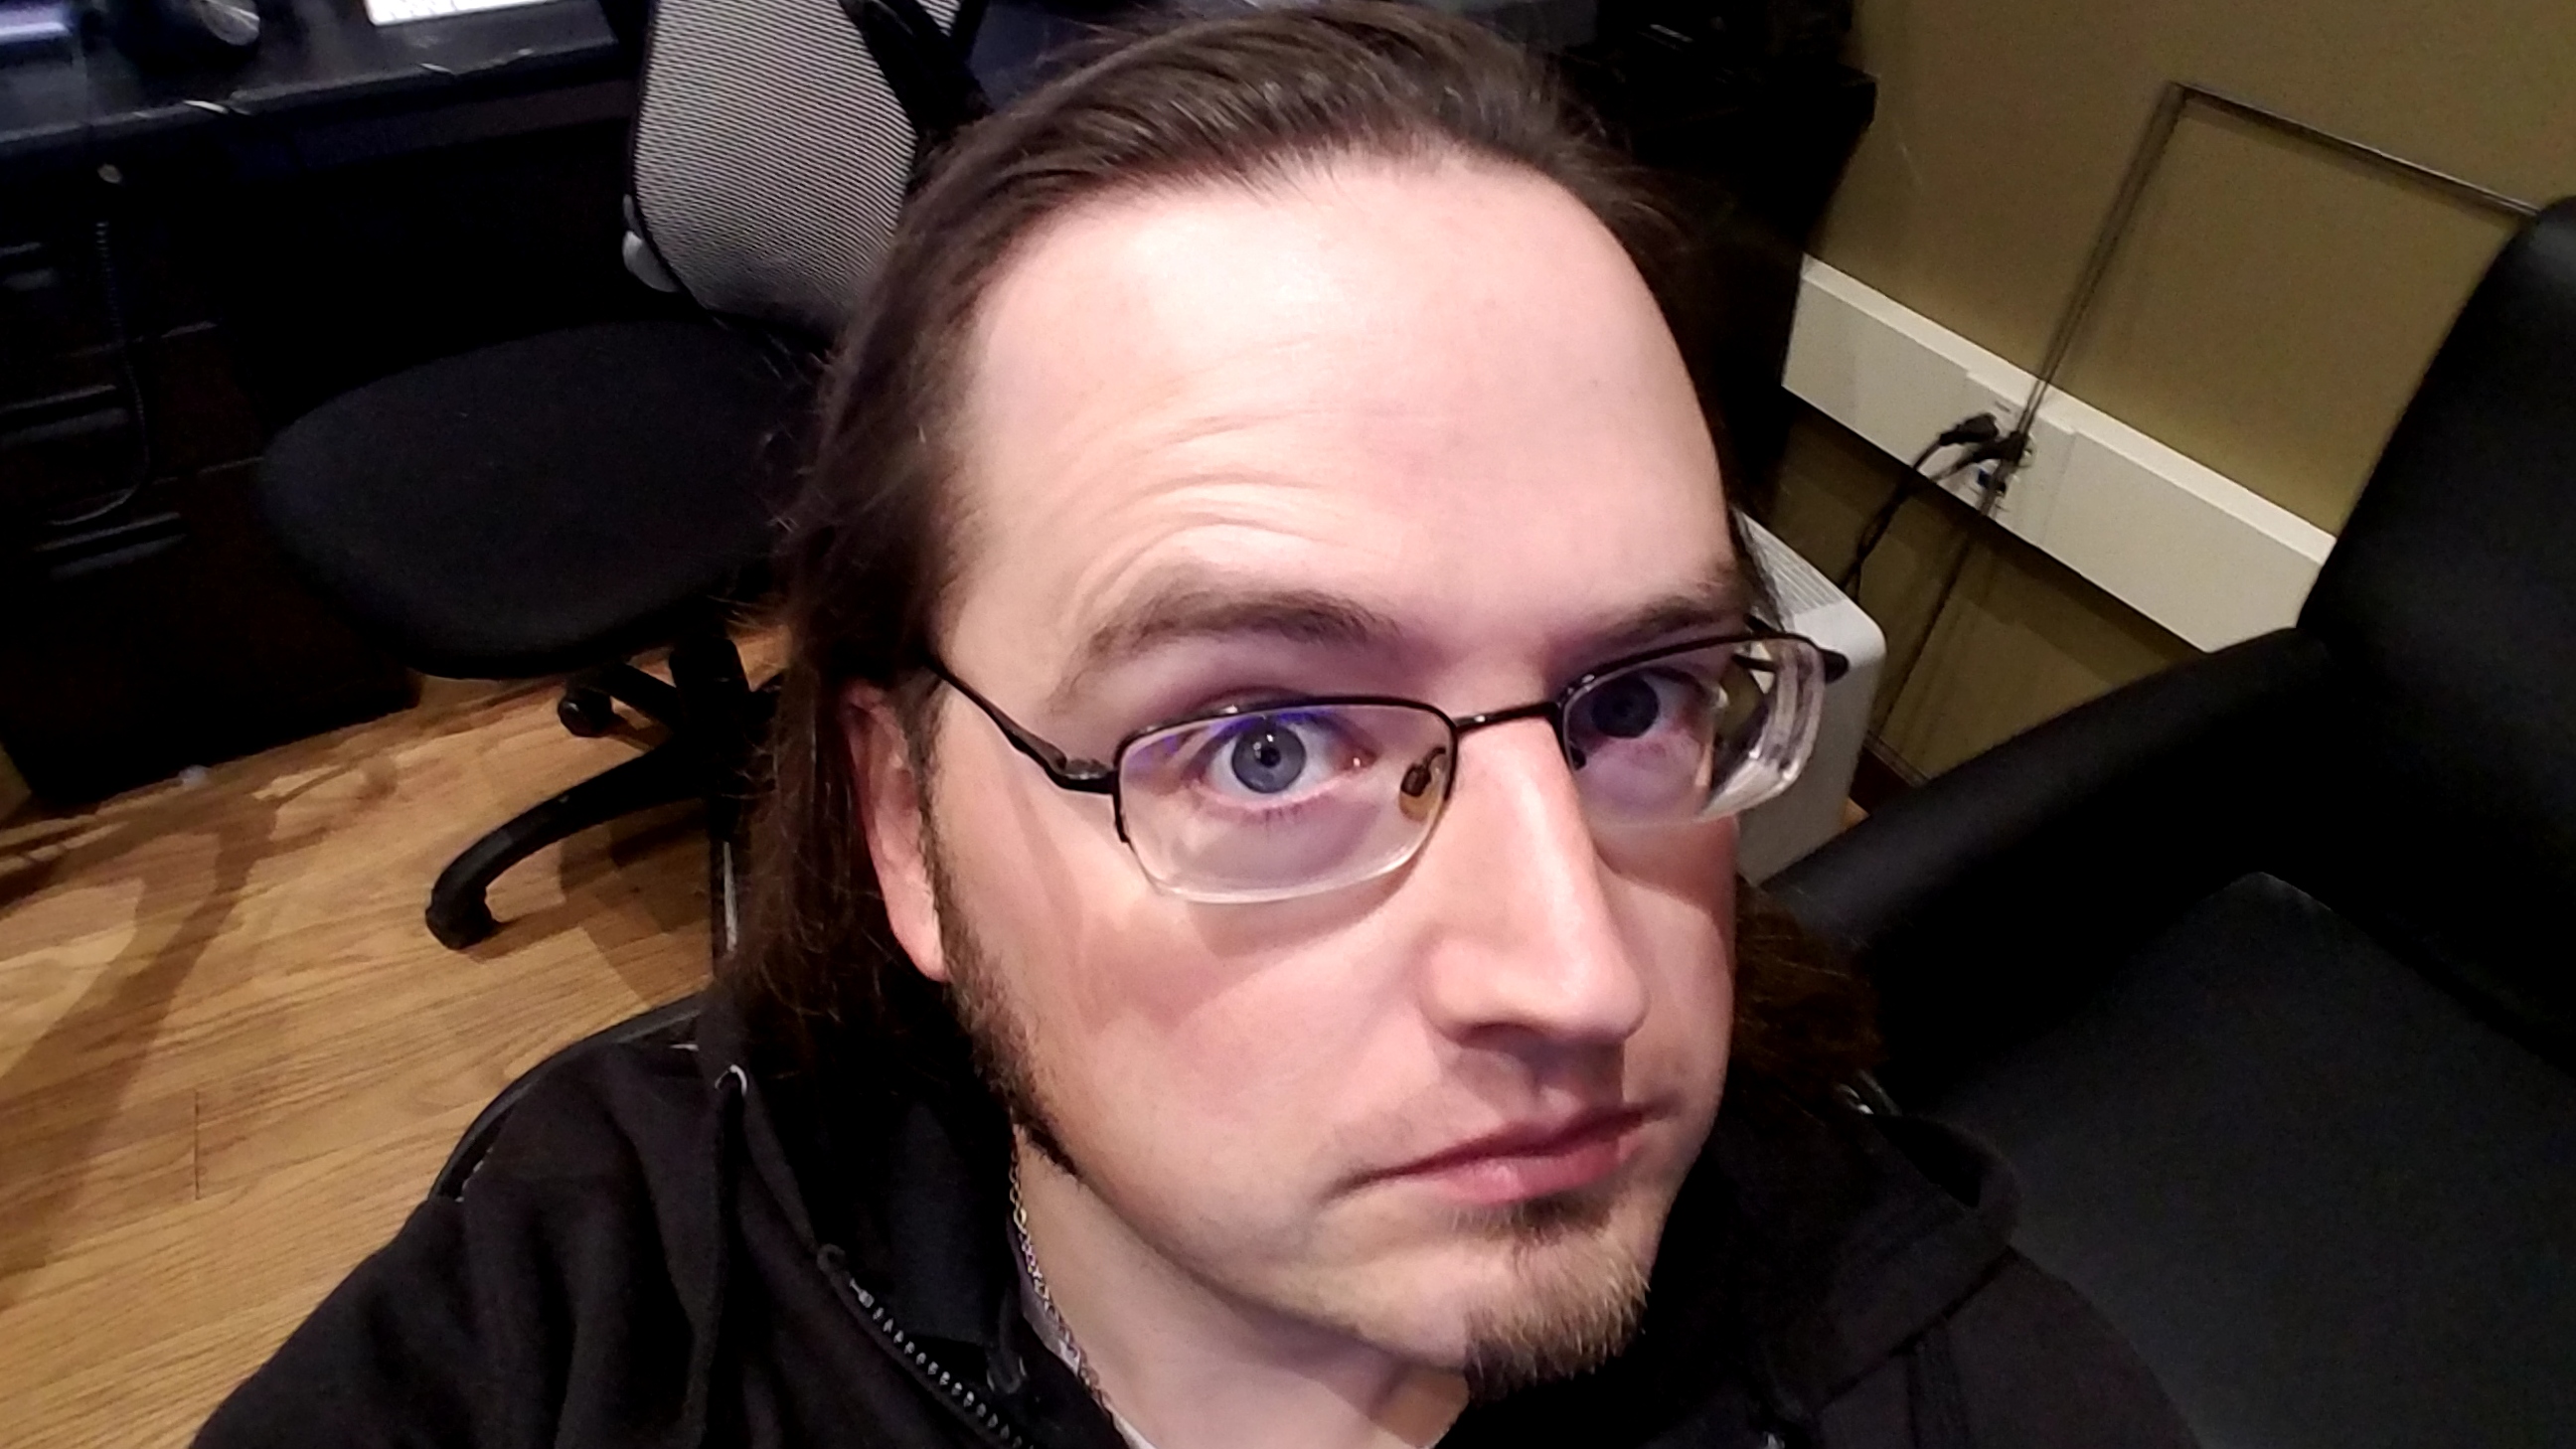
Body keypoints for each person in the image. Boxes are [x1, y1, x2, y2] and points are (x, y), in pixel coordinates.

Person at [199, 6, 2196, 1447]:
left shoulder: (1941, 1372)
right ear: (903, 825)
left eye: (1633, 702)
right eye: (1263, 745)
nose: (1581, 975)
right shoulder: (595, 1302)